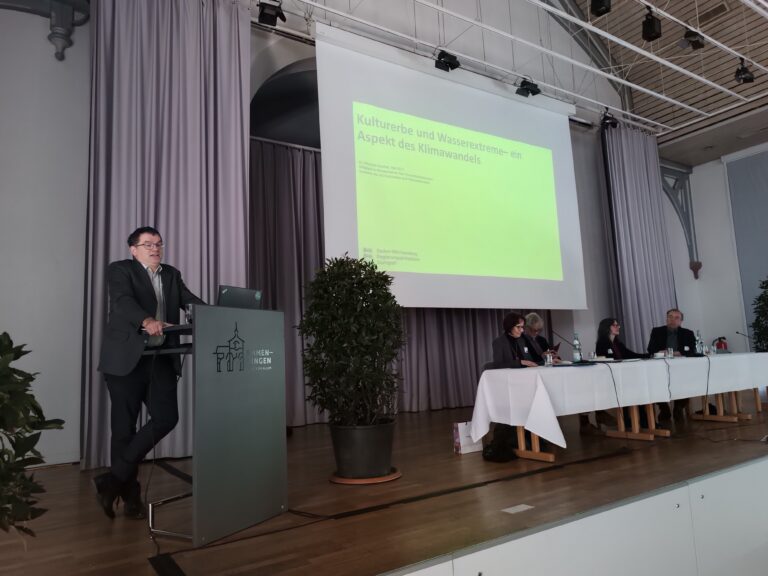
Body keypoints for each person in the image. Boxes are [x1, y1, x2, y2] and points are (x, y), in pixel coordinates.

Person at [95, 226, 204, 519]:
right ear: (133, 249)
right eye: (147, 244)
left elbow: (189, 300)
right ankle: (131, 498)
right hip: (125, 360)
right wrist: (146, 319)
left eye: (158, 244)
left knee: (167, 417)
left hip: (160, 358)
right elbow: (122, 302)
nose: (155, 248)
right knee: (123, 430)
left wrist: (208, 313)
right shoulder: (120, 270)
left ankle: (112, 479)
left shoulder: (170, 274)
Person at [647, 308, 697, 420]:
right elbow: (650, 349)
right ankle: (664, 408)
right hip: (660, 366)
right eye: (670, 316)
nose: (672, 319)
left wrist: (676, 353)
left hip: (681, 367)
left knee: (686, 380)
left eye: (676, 317)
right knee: (654, 382)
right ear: (666, 318)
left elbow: (693, 350)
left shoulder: (688, 333)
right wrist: (659, 352)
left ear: (681, 321)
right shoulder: (657, 331)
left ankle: (679, 407)